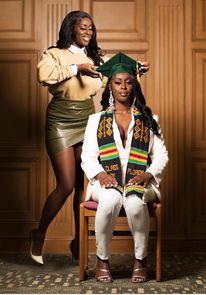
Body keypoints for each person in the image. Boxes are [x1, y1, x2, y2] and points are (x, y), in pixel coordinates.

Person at [29, 11, 150, 265]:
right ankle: (39, 234)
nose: (88, 32)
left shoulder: (95, 58)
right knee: (66, 184)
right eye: (83, 28)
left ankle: (78, 242)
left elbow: (119, 70)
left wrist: (137, 68)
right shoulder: (54, 54)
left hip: (87, 118)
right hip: (60, 119)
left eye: (91, 29)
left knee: (84, 188)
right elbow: (44, 76)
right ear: (70, 29)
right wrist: (77, 68)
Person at [81, 52, 169, 283]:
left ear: (135, 86)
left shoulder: (149, 119)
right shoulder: (96, 120)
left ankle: (140, 259)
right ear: (109, 86)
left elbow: (161, 155)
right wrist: (100, 174)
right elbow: (87, 157)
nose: (123, 87)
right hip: (105, 182)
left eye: (129, 82)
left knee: (134, 201)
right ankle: (102, 259)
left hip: (140, 181)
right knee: (109, 199)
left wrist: (148, 174)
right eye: (118, 82)